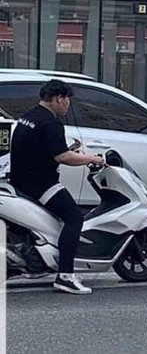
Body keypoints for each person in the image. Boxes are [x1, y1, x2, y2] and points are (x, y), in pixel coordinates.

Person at [9, 79, 104, 295]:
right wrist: (92, 158)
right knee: (74, 218)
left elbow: (39, 149)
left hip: (21, 181)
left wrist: (70, 151)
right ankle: (66, 276)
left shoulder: (28, 117)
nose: (68, 104)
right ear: (59, 98)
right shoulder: (51, 123)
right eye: (67, 99)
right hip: (41, 184)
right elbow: (63, 157)